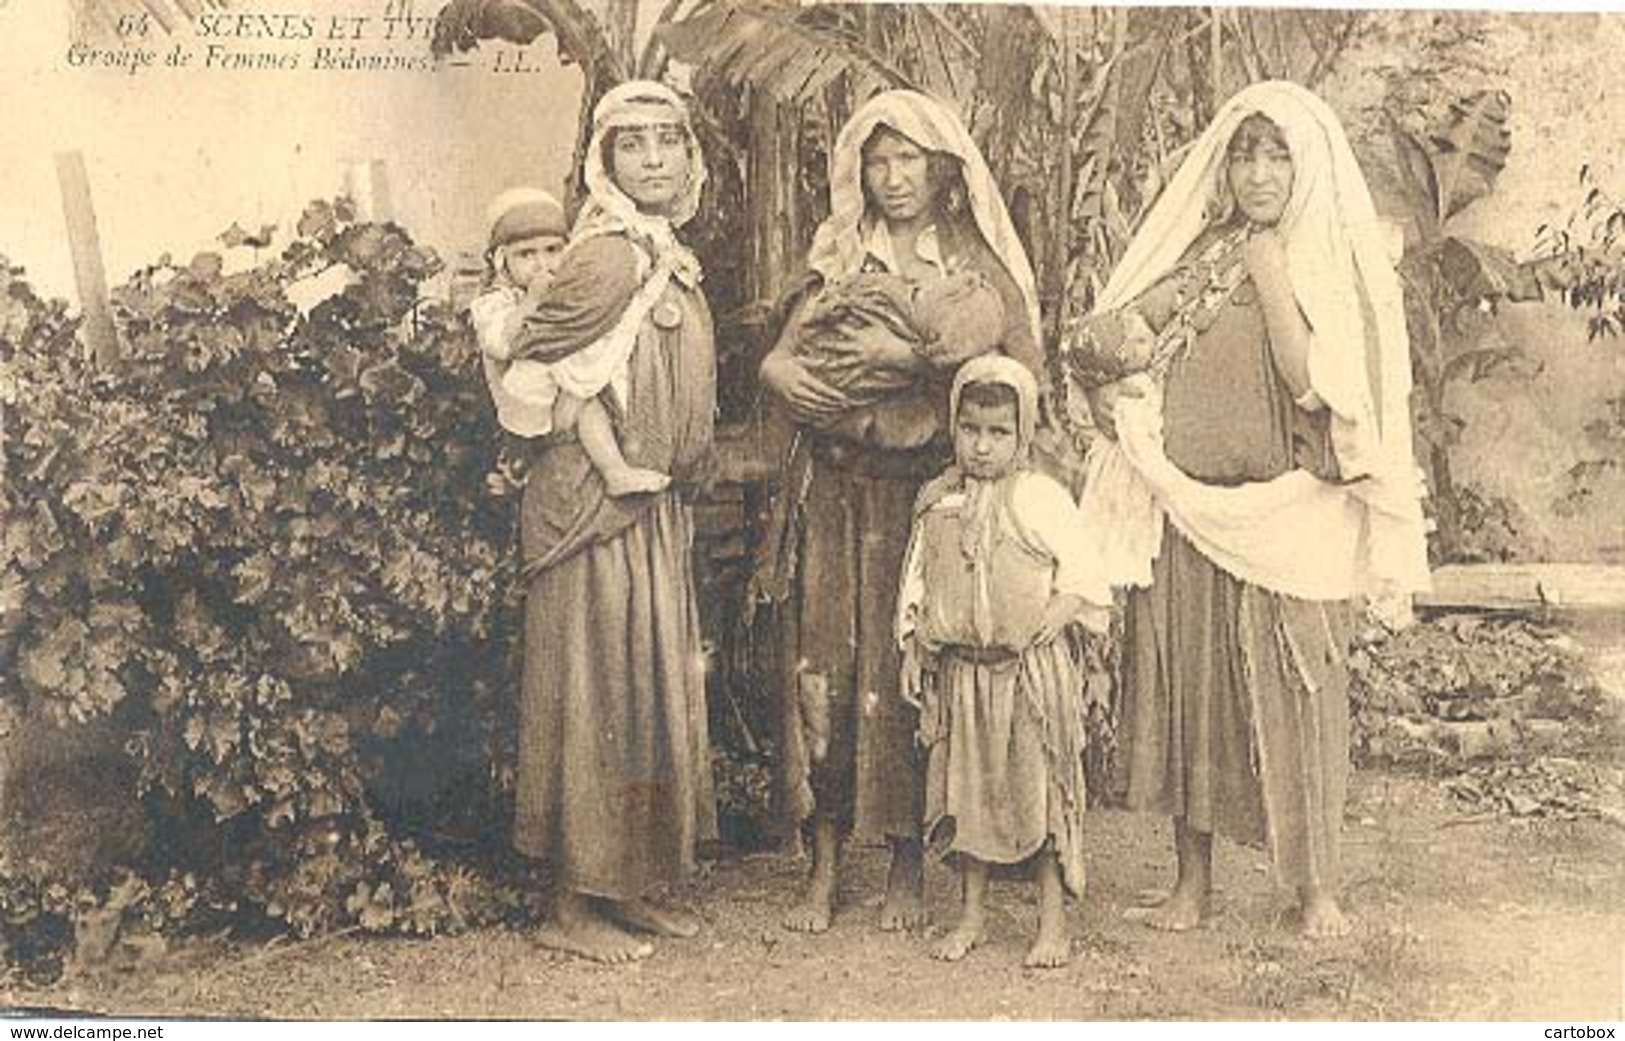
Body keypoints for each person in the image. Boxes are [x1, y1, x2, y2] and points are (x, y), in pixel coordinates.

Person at [1059, 80, 1430, 938]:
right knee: (1191, 693)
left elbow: (1313, 386)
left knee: (1299, 697)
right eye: (1243, 152)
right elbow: (1104, 330)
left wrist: (1267, 272)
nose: (1258, 171)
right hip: (1189, 511)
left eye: (1277, 152)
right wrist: (1110, 377)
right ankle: (1191, 884)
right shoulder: (1205, 255)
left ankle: (1315, 889)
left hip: (1291, 521)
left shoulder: (1335, 260)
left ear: (1307, 162)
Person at [756, 89, 1044, 935]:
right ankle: (823, 862)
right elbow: (789, 343)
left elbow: (1004, 368)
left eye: (908, 160)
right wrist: (777, 367)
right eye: (877, 162)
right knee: (827, 667)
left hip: (922, 495)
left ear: (940, 167)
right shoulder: (842, 251)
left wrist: (909, 359)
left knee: (906, 669)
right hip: (838, 489)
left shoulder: (968, 259)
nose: (893, 178)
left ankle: (909, 864)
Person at [502, 81, 717, 964]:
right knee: (588, 697)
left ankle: (623, 888)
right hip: (590, 510)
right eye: (635, 145)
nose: (656, 158)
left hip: (644, 504)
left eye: (669, 140)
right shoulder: (606, 257)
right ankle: (569, 905)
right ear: (606, 161)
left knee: (640, 692)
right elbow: (527, 354)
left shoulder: (661, 250)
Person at [897, 354, 1110, 967]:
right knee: (971, 797)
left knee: (1035, 796)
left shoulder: (1039, 497)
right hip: (964, 675)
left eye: (998, 433)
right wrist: (914, 647)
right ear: (954, 427)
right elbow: (918, 583)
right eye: (971, 430)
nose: (983, 447)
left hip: (1027, 679)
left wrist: (1060, 611)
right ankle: (971, 915)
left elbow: (1087, 575)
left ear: (1021, 435)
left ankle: (1051, 924)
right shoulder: (939, 503)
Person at [472, 187, 672, 496]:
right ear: (501, 261)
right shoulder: (495, 300)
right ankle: (517, 468)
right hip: (519, 393)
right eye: (526, 254)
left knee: (587, 399)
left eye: (553, 250)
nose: (543, 264)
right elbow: (499, 343)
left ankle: (614, 471)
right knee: (528, 442)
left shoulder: (564, 286)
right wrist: (532, 301)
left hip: (555, 391)